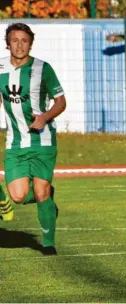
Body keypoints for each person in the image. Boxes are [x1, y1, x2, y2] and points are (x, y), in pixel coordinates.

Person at [0, 23, 66, 255]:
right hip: (15, 144)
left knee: (40, 192)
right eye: (14, 40)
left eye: (24, 40)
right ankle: (47, 197)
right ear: (7, 43)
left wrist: (45, 117)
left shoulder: (43, 68)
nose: (19, 44)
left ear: (31, 43)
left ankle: (48, 243)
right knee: (18, 196)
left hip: (43, 141)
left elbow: (61, 102)